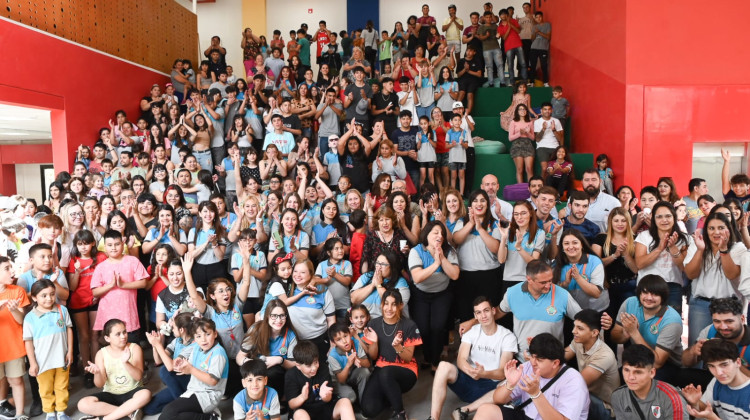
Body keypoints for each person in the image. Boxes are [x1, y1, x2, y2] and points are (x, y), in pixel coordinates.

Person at [429, 296, 517, 420]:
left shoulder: (507, 336)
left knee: (510, 383)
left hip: (490, 388)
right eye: (479, 312)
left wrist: (483, 374)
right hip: (468, 380)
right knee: (443, 366)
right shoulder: (471, 332)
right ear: (475, 316)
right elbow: (461, 359)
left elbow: (502, 372)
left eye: (486, 310)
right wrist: (471, 371)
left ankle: (464, 410)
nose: (483, 316)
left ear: (493, 311)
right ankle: (433, 418)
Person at [473, 333, 590, 420]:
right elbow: (498, 399)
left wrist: (536, 394)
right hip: (525, 415)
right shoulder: (528, 366)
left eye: (539, 359)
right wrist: (510, 384)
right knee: (485, 410)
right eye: (532, 356)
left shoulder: (574, 381)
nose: (533, 362)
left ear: (555, 363)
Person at [359, 290, 422, 420]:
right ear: (381, 305)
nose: (389, 308)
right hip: (382, 368)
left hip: (406, 371)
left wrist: (398, 347)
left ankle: (400, 413)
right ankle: (392, 396)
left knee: (386, 373)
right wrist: (375, 342)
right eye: (386, 303)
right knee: (368, 409)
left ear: (400, 306)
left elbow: (408, 357)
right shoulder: (373, 324)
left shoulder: (409, 325)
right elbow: (373, 356)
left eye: (394, 304)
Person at [684, 212, 745, 344]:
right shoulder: (697, 244)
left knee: (728, 349)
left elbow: (732, 274)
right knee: (698, 349)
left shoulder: (738, 247)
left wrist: (723, 250)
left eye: (721, 228)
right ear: (706, 230)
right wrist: (700, 250)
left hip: (729, 305)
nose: (716, 232)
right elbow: (690, 274)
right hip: (701, 304)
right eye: (711, 228)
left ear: (728, 229)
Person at [609, 274, 684, 381]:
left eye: (655, 294)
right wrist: (625, 335)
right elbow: (614, 337)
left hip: (667, 364)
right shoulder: (630, 303)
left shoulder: (672, 320)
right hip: (639, 358)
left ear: (663, 297)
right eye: (645, 292)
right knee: (616, 378)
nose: (649, 298)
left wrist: (634, 332)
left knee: (642, 381)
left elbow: (657, 363)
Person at [408, 221, 459, 371]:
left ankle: (435, 362)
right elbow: (417, 277)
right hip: (420, 295)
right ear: (427, 234)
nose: (439, 236)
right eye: (435, 232)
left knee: (437, 327)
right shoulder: (416, 251)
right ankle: (427, 357)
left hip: (442, 294)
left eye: (442, 233)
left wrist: (442, 258)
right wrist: (436, 264)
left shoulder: (449, 251)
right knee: (423, 329)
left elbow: (455, 275)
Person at [77, 319, 151, 420]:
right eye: (118, 334)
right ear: (107, 338)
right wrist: (98, 373)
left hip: (133, 391)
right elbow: (100, 384)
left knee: (145, 394)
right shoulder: (101, 354)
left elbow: (138, 377)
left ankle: (104, 418)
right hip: (111, 394)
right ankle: (127, 412)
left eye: (124, 332)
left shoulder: (135, 348)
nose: (123, 336)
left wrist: (126, 362)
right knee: (83, 404)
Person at [23, 279, 74, 420]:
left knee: (62, 386)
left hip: (61, 358)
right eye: (43, 295)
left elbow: (69, 330)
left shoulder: (62, 310)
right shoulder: (30, 318)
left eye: (52, 294)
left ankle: (61, 411)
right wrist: (32, 363)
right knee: (45, 389)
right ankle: (50, 413)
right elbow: (27, 342)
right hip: (42, 362)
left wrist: (70, 351)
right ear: (34, 297)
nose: (49, 298)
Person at [158, 318, 228, 420]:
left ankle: (211, 418)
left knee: (169, 413)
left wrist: (190, 369)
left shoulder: (218, 353)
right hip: (194, 390)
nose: (203, 339)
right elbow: (189, 366)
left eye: (207, 334)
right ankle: (211, 416)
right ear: (194, 338)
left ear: (215, 334)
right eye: (199, 336)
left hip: (208, 395)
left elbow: (212, 381)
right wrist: (181, 365)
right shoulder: (196, 348)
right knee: (168, 414)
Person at [453, 190, 503, 322]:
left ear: (488, 204)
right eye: (475, 200)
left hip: (490, 275)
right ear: (470, 205)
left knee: (488, 317)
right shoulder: (462, 222)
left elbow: (496, 248)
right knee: (466, 315)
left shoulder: (494, 224)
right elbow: (456, 240)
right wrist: (471, 223)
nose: (479, 204)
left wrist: (480, 228)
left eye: (482, 200)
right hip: (466, 276)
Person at [90, 230, 149, 341]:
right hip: (109, 317)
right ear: (104, 247)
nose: (113, 248)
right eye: (110, 245)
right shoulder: (101, 267)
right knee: (112, 354)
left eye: (117, 244)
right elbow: (95, 292)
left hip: (129, 316)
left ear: (122, 244)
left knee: (132, 349)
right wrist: (111, 285)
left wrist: (123, 285)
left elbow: (143, 283)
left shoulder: (132, 261)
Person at [634, 201, 691, 313]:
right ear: (653, 219)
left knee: (671, 323)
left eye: (668, 216)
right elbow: (640, 264)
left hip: (672, 287)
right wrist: (659, 248)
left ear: (674, 217)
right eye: (659, 217)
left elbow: (685, 268)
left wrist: (673, 247)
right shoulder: (644, 236)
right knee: (645, 323)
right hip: (647, 286)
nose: (664, 220)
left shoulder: (684, 238)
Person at [564, 309, 620, 419]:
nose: (573, 331)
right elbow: (560, 358)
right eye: (574, 326)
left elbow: (578, 384)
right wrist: (540, 356)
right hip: (587, 395)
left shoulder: (604, 355)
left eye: (580, 328)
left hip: (606, 408)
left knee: (567, 393)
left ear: (594, 333)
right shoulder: (578, 341)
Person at [611, 344, 688, 419]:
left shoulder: (672, 398)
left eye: (638, 372)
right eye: (626, 370)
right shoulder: (618, 396)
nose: (631, 377)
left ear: (652, 373)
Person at [285, 340, 355, 420]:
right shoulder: (291, 375)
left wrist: (325, 396)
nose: (314, 368)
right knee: (299, 414)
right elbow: (291, 404)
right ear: (298, 366)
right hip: (305, 411)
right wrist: (302, 397)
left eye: (316, 362)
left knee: (345, 402)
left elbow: (328, 398)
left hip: (325, 408)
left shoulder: (323, 368)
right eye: (308, 366)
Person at [681, 338, 750, 419]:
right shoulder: (716, 382)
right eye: (712, 366)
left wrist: (713, 418)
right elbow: (705, 410)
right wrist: (696, 403)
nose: (719, 372)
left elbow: (710, 416)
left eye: (724, 365)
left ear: (738, 362)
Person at [0, 256, 31, 420]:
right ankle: (2, 404)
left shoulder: (17, 291)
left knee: (16, 380)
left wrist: (13, 310)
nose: (12, 271)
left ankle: (20, 413)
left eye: (10, 267)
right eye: (6, 268)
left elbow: (21, 320)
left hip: (14, 345)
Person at [682, 298, 750, 372]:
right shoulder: (710, 331)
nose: (723, 327)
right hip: (712, 378)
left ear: (742, 319)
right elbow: (686, 363)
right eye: (717, 321)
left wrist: (728, 360)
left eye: (729, 321)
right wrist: (694, 351)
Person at [555, 229, 609, 312]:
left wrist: (578, 277)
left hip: (595, 311)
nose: (570, 247)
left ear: (582, 245)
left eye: (575, 243)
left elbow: (596, 293)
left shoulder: (594, 261)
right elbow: (554, 292)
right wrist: (565, 283)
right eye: (566, 244)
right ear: (562, 247)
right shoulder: (557, 264)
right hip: (570, 312)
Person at [326, 322, 371, 404]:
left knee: (365, 372)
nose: (344, 341)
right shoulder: (333, 356)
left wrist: (355, 358)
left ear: (350, 334)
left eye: (345, 336)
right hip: (338, 381)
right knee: (351, 397)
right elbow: (341, 380)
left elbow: (367, 364)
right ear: (334, 342)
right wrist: (348, 364)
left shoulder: (355, 343)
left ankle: (364, 404)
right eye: (338, 339)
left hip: (352, 374)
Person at [498, 8, 528, 86]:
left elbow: (518, 31)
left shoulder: (513, 21)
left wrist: (510, 24)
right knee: (510, 65)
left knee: (523, 63)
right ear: (500, 16)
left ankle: (525, 81)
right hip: (508, 47)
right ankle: (512, 82)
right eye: (501, 14)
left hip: (518, 44)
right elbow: (504, 38)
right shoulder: (500, 26)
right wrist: (509, 28)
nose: (503, 16)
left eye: (505, 14)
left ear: (507, 15)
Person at [475, 11, 504, 88]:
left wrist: (498, 36)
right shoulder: (481, 27)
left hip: (496, 47)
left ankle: (502, 82)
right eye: (487, 17)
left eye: (489, 17)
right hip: (486, 49)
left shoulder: (495, 26)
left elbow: (499, 35)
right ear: (484, 18)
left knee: (500, 65)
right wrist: (486, 36)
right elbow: (481, 38)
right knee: (489, 67)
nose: (488, 19)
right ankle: (491, 83)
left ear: (491, 17)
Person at [508, 104, 535, 183]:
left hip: (528, 145)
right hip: (517, 145)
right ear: (517, 111)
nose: (522, 111)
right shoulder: (513, 122)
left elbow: (533, 138)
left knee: (529, 168)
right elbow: (510, 138)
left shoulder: (530, 122)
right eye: (520, 109)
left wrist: (527, 133)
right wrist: (520, 133)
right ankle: (521, 190)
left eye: (524, 109)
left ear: (526, 111)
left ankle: (532, 188)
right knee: (520, 169)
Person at [533, 102, 563, 168]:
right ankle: (543, 179)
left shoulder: (556, 121)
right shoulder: (537, 122)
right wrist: (543, 129)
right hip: (542, 147)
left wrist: (554, 130)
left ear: (551, 110)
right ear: (541, 110)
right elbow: (537, 139)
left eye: (549, 109)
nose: (547, 111)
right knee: (544, 168)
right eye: (545, 109)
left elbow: (560, 138)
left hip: (555, 147)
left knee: (557, 169)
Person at [456, 46, 483, 115]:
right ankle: (456, 111)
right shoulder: (461, 61)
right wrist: (464, 69)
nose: (468, 52)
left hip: (473, 81)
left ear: (474, 52)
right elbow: (458, 75)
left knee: (470, 95)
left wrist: (468, 71)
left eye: (471, 51)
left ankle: (467, 114)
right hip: (462, 80)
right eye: (467, 50)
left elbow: (479, 74)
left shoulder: (477, 61)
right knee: (462, 93)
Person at [528, 11, 551, 86]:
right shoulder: (534, 27)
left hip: (543, 48)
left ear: (542, 17)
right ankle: (531, 82)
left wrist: (539, 32)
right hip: (534, 48)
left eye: (540, 17)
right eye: (537, 17)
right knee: (533, 65)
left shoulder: (547, 25)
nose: (538, 19)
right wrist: (535, 32)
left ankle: (545, 82)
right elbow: (532, 39)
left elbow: (548, 37)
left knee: (544, 65)